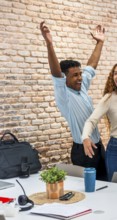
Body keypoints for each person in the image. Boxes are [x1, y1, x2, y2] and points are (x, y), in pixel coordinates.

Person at [40, 21, 107, 180]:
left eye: (80, 74)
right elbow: (56, 73)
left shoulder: (81, 86)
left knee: (106, 185)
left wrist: (100, 43)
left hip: (98, 146)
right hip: (82, 150)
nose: (79, 78)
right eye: (75, 75)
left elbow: (91, 66)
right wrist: (49, 44)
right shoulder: (64, 95)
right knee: (87, 190)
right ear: (65, 78)